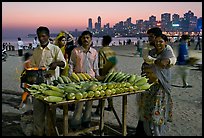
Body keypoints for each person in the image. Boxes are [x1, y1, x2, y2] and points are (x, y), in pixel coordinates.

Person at [136, 34, 175, 136]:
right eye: (156, 41)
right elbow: (146, 64)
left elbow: (166, 63)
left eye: (161, 41)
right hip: (149, 87)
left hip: (161, 88)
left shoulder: (167, 52)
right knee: (146, 115)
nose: (158, 43)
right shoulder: (152, 52)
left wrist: (160, 64)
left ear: (165, 42)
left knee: (157, 116)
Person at [30, 26, 66, 136]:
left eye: (43, 36)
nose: (41, 38)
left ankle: (49, 132)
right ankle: (39, 133)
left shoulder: (55, 49)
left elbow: (63, 64)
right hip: (39, 85)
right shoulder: (36, 51)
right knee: (38, 114)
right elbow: (33, 66)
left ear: (48, 36)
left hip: (52, 86)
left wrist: (56, 63)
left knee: (51, 114)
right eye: (39, 36)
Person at [69, 30, 100, 130]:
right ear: (81, 39)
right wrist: (71, 76)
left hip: (91, 79)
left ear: (91, 40)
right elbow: (71, 64)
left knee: (90, 102)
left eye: (88, 38)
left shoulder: (94, 52)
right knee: (79, 102)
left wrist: (97, 77)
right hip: (79, 80)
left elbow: (95, 67)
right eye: (84, 38)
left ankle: (86, 122)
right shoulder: (76, 51)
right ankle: (75, 123)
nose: (85, 40)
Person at [94, 35, 118, 115]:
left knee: (103, 91)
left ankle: (99, 110)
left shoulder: (101, 50)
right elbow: (114, 62)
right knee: (109, 90)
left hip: (105, 72)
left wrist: (100, 75)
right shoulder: (112, 51)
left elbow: (101, 65)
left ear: (103, 41)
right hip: (113, 72)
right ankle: (110, 106)